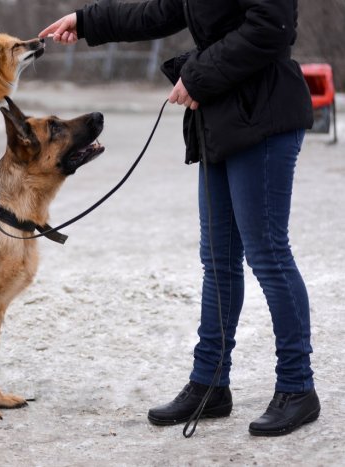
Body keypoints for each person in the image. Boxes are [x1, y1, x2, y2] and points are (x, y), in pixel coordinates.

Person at [40, 0, 318, 437]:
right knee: (218, 260)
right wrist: (88, 20)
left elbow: (272, 27)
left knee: (268, 254)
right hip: (222, 117)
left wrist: (199, 75)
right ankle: (210, 383)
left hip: (263, 111)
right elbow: (160, 11)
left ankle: (298, 388)